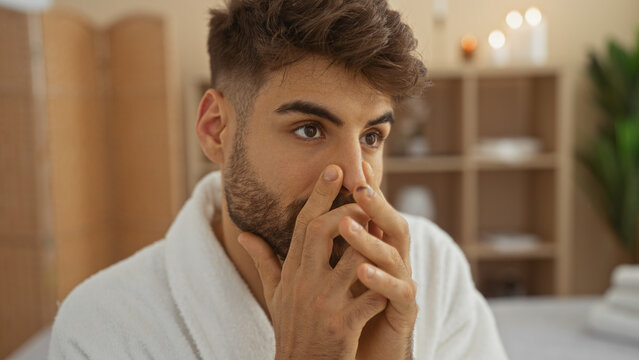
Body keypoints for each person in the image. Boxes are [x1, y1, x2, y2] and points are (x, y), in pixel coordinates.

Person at [49, 0, 508, 359]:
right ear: (216, 130)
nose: (354, 176)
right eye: (309, 129)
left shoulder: (433, 266)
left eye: (372, 136)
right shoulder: (102, 325)